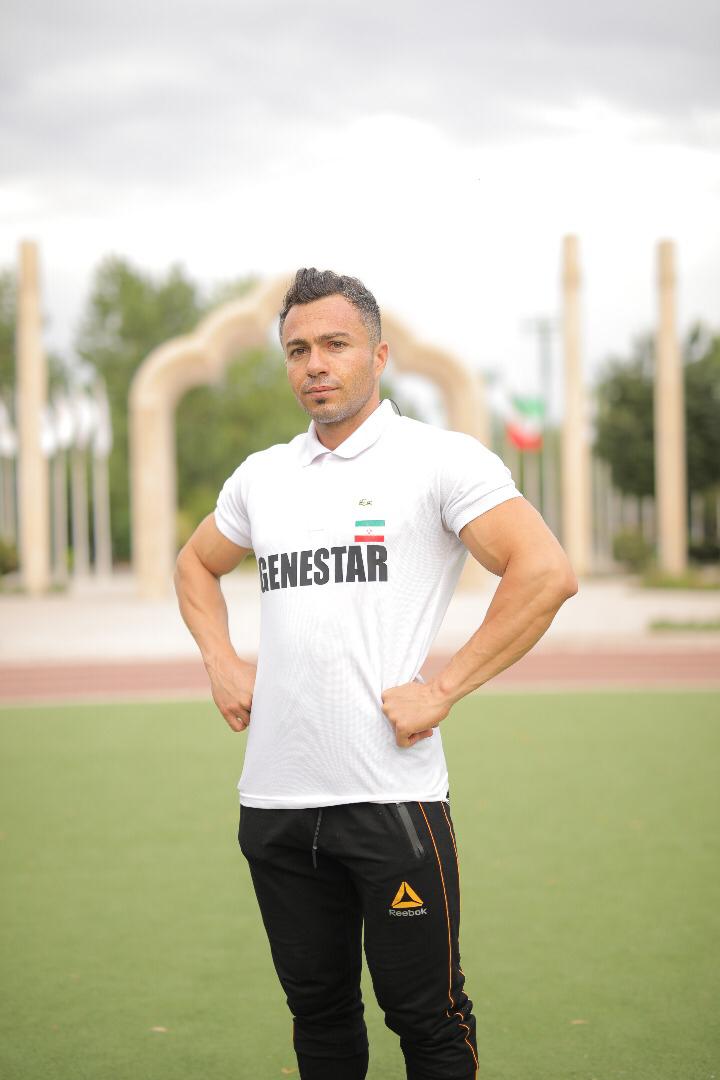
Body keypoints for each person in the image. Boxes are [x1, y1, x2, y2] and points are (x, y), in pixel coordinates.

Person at [174, 268, 578, 1080]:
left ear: (379, 355)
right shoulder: (262, 476)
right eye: (298, 350)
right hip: (276, 805)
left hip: (391, 802)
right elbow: (194, 564)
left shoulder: (438, 460)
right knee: (319, 1017)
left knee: (427, 1019)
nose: (315, 364)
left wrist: (444, 688)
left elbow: (545, 572)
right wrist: (222, 661)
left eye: (335, 344)